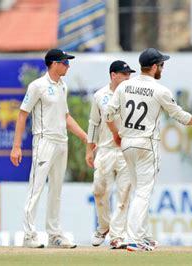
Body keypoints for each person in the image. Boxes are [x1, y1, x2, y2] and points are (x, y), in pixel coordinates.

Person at [104, 48, 192, 252]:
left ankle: (141, 235)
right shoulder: (160, 90)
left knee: (137, 190)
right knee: (143, 192)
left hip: (127, 144)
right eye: (161, 65)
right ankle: (134, 239)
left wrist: (116, 132)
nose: (162, 69)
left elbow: (108, 113)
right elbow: (177, 113)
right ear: (153, 67)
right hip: (146, 144)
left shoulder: (124, 86)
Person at [10, 49, 87, 248]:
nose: (68, 66)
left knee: (56, 190)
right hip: (44, 141)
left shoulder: (63, 86)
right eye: (65, 63)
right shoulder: (37, 86)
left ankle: (55, 235)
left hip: (62, 142)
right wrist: (16, 146)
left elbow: (66, 117)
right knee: (36, 188)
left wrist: (86, 137)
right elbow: (22, 115)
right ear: (54, 64)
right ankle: (29, 235)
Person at [86, 60, 135, 249]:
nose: (128, 78)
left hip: (125, 151)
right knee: (99, 191)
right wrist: (89, 149)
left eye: (129, 74)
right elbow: (93, 123)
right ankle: (104, 226)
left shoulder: (131, 94)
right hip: (105, 150)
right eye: (124, 74)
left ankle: (117, 236)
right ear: (113, 75)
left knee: (123, 194)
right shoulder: (100, 96)